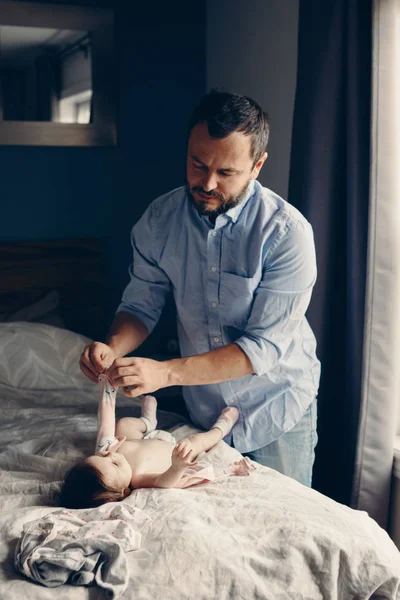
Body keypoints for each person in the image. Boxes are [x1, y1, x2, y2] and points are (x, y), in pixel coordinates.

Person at [80, 90, 321, 487]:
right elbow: (141, 306)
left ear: (257, 165)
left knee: (279, 535)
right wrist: (113, 347)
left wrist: (166, 373)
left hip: (277, 405)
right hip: (205, 410)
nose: (207, 183)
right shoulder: (159, 220)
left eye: (226, 173)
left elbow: (260, 348)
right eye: (197, 164)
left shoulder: (287, 235)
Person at [60, 374, 254, 509]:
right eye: (115, 463)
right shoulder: (137, 478)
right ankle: (221, 428)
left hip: (145, 438)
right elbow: (163, 482)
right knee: (195, 442)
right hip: (173, 450)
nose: (111, 453)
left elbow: (105, 420)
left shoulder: (106, 453)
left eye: (102, 455)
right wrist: (177, 467)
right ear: (124, 491)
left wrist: (108, 390)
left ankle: (147, 421)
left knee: (122, 425)